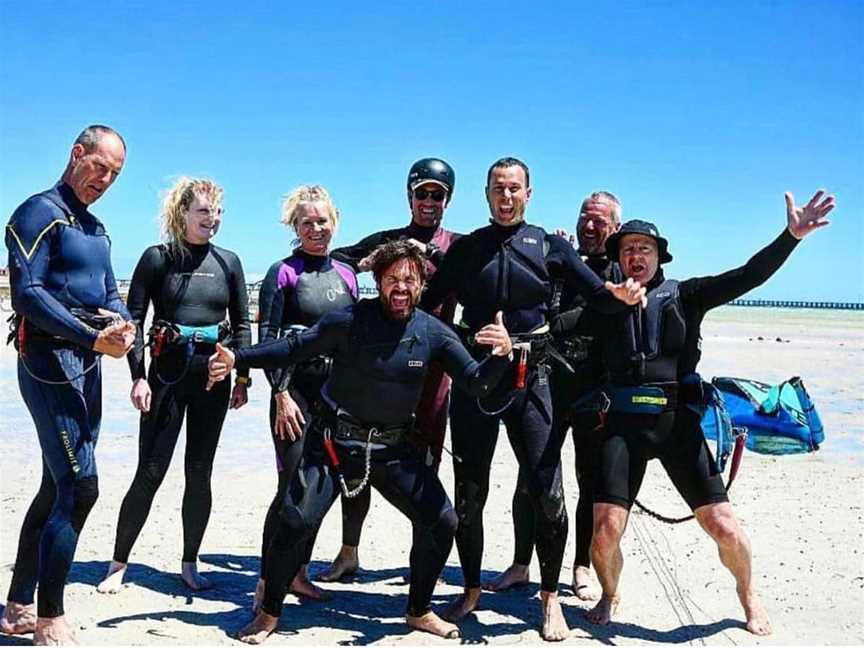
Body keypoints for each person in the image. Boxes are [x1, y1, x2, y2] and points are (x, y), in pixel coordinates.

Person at [207, 240, 514, 643]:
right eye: (392, 279)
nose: (400, 288)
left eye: (409, 279)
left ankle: (419, 610)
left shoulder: (433, 333)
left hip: (393, 449)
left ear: (421, 284)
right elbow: (294, 347)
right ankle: (269, 612)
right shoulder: (349, 320)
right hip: (333, 444)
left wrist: (502, 356)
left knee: (442, 521)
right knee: (294, 519)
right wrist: (238, 359)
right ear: (378, 281)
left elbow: (475, 383)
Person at [586, 190, 836, 636]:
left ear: (659, 256)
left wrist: (791, 236)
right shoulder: (604, 304)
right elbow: (557, 322)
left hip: (677, 426)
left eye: (645, 248)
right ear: (618, 258)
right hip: (622, 429)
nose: (636, 256)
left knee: (723, 526)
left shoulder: (688, 295)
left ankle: (747, 594)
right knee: (604, 533)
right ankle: (610, 592)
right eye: (628, 250)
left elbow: (748, 275)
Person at [420, 158, 646, 641]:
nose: (506, 197)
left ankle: (548, 598)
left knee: (548, 491)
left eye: (514, 189)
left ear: (529, 193)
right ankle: (472, 588)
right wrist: (455, 348)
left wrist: (624, 295)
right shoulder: (466, 250)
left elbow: (596, 296)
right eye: (498, 188)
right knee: (470, 493)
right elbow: (427, 307)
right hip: (478, 381)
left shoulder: (550, 245)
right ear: (485, 193)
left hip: (532, 378)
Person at [1, 125, 135, 645]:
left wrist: (123, 327)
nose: (104, 179)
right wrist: (89, 335)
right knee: (81, 487)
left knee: (57, 485)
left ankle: (15, 606)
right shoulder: (38, 212)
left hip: (87, 364)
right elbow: (28, 293)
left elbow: (109, 294)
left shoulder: (96, 229)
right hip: (46, 362)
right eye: (99, 167)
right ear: (77, 154)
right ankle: (49, 615)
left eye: (115, 174)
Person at [96, 177, 251, 594]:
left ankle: (189, 562)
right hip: (165, 377)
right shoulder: (157, 258)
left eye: (217, 212)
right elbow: (133, 322)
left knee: (200, 473)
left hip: (211, 381)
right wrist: (138, 378)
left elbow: (242, 324)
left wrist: (241, 376)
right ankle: (118, 563)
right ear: (183, 213)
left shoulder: (229, 262)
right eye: (203, 211)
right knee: (150, 471)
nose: (212, 219)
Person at [324, 158, 460, 581]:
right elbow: (339, 259)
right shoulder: (390, 240)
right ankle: (349, 551)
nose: (429, 201)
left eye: (438, 195)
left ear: (447, 200)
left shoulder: (457, 244)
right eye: (422, 193)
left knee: (425, 470)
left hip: (433, 374)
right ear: (410, 195)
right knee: (360, 458)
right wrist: (359, 276)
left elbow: (490, 268)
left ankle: (422, 561)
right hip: (382, 366)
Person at [486, 191, 621, 601]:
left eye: (600, 219)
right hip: (548, 383)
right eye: (585, 216)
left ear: (614, 226)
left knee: (587, 481)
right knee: (533, 476)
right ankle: (520, 563)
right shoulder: (561, 261)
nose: (590, 224)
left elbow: (602, 312)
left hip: (593, 391)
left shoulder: (615, 271)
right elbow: (534, 304)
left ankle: (580, 565)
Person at [252, 185, 358, 609]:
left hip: (334, 398)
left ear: (335, 221)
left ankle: (297, 573)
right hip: (293, 394)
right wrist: (280, 394)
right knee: (290, 488)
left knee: (320, 487)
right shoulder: (283, 272)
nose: (316, 228)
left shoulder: (347, 274)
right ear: (294, 226)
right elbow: (267, 341)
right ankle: (266, 581)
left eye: (322, 221)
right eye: (306, 222)